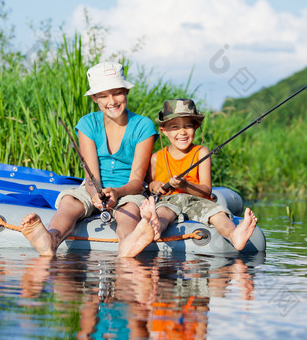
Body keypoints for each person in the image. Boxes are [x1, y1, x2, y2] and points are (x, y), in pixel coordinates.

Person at [20, 61, 157, 257]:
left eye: (117, 92)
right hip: (93, 187)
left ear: (126, 92)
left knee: (130, 212)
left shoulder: (143, 126)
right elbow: (91, 175)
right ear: (94, 98)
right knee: (69, 201)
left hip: (128, 191)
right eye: (103, 95)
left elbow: (137, 180)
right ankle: (51, 238)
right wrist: (96, 194)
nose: (112, 101)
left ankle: (128, 243)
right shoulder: (87, 124)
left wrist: (117, 192)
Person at [119, 99, 257, 257]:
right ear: (164, 130)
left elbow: (206, 191)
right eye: (175, 127)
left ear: (196, 127)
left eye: (188, 126)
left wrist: (185, 185)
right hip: (168, 201)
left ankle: (235, 235)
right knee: (163, 213)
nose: (182, 132)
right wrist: (155, 185)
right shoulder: (156, 158)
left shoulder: (201, 153)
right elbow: (149, 186)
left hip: (197, 200)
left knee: (218, 214)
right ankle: (154, 228)